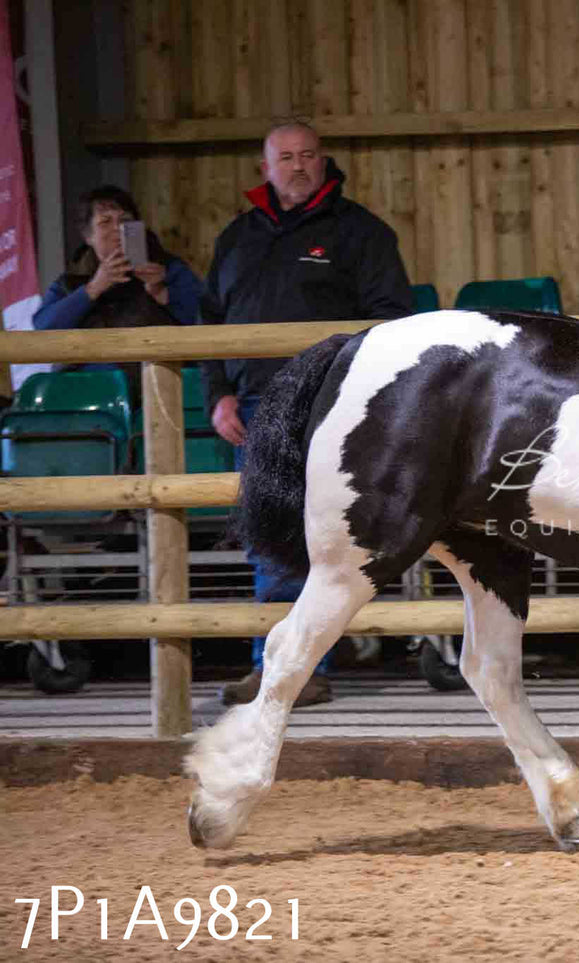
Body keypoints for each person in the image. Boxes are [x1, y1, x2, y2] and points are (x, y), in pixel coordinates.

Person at [202, 121, 412, 707]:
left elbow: (393, 318)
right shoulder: (237, 238)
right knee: (269, 537)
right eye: (285, 157)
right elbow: (209, 322)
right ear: (264, 168)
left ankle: (296, 669)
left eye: (308, 156)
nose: (298, 166)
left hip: (328, 404)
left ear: (324, 162)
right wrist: (217, 394)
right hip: (252, 408)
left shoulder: (361, 234)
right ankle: (278, 669)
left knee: (316, 537)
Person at [34, 186, 204, 396]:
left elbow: (205, 320)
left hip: (162, 389)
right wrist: (93, 288)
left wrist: (161, 292)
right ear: (88, 236)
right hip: (88, 395)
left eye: (125, 221)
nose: (117, 229)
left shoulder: (168, 269)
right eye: (105, 222)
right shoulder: (71, 281)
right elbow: (43, 330)